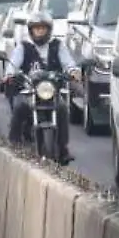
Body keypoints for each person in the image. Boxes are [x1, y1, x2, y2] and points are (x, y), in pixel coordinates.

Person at [6, 14, 74, 164]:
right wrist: (11, 74)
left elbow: (69, 64)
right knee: (19, 107)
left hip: (51, 92)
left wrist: (73, 72)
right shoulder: (23, 47)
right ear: (31, 31)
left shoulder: (58, 45)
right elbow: (12, 66)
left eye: (42, 29)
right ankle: (14, 144)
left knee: (62, 109)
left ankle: (63, 148)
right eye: (36, 29)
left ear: (48, 30)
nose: (39, 32)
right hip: (29, 91)